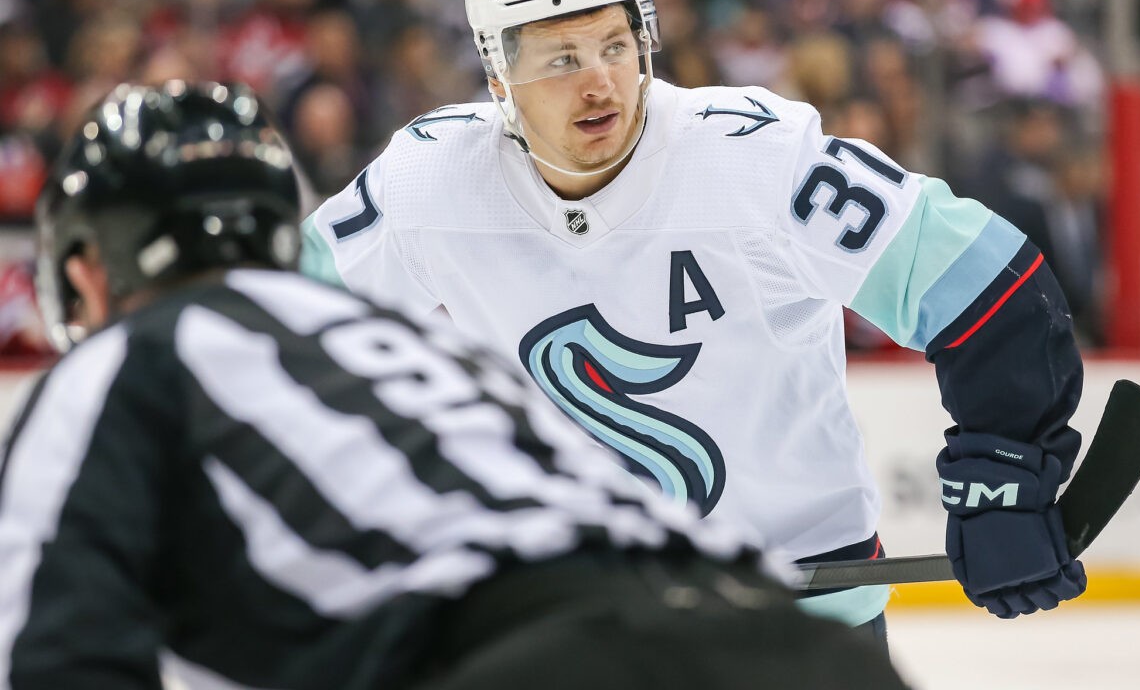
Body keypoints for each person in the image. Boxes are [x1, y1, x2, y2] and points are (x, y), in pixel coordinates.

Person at [301, 0, 1088, 632]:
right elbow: (270, 317)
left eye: (616, 46)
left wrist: (1004, 473)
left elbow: (989, 286)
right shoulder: (429, 180)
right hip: (575, 629)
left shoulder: (755, 159)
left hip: (798, 627)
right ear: (498, 77)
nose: (600, 82)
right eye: (563, 59)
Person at [0, 81, 911, 690]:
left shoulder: (117, 369)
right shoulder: (408, 344)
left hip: (530, 663)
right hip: (781, 639)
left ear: (85, 271)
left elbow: (59, 653)